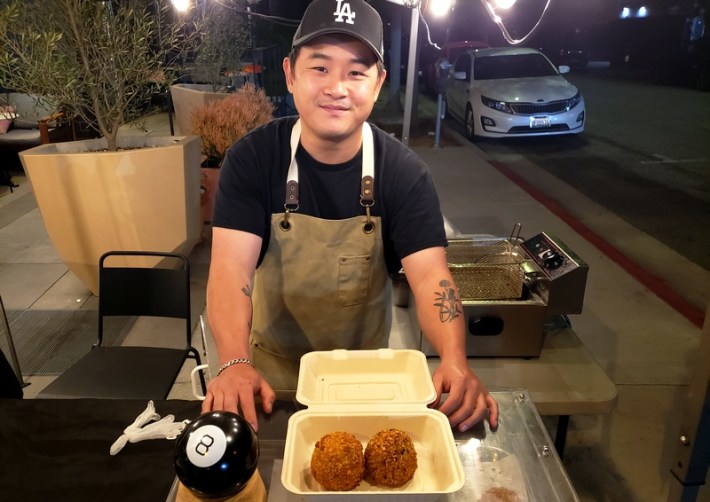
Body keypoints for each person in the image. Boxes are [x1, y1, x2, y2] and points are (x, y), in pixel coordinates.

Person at [201, 0, 498, 434]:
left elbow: (432, 276)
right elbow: (229, 269)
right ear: (290, 73)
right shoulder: (253, 159)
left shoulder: (403, 174)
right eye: (320, 68)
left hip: (366, 381)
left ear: (377, 83)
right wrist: (233, 361)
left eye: (356, 72)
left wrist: (455, 361)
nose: (337, 88)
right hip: (270, 384)